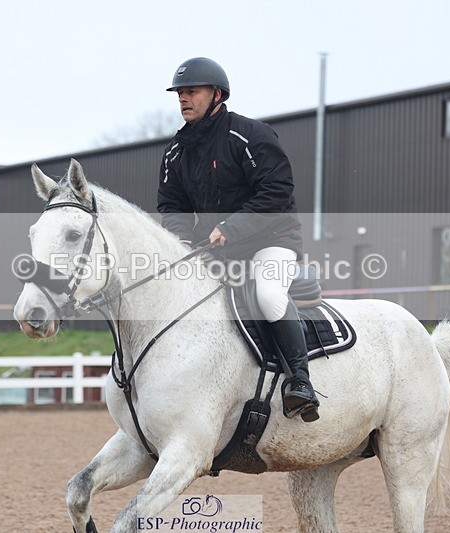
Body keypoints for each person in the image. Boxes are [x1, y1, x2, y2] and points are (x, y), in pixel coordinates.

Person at [157, 57, 319, 422]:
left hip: (272, 238)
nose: (183, 98)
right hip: (217, 249)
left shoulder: (250, 135)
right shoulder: (175, 153)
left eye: (191, 92)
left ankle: (300, 382)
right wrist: (181, 240)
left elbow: (277, 190)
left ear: (217, 94)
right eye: (179, 93)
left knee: (268, 294)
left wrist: (231, 227)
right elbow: (172, 205)